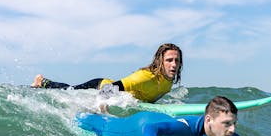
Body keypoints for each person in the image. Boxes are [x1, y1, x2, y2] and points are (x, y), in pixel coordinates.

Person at [32, 43, 182, 103]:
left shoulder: (168, 79)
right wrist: (99, 106)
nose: (174, 64)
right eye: (169, 60)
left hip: (112, 89)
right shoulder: (145, 77)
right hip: (99, 85)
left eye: (177, 60)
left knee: (69, 89)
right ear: (160, 61)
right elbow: (110, 89)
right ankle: (42, 82)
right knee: (68, 91)